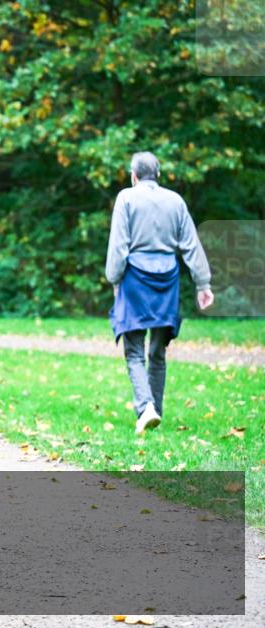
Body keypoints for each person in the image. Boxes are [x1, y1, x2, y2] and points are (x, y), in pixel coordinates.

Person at [105, 152, 214, 435]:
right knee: (157, 351)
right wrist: (203, 284)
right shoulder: (175, 201)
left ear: (133, 175)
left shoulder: (126, 198)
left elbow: (119, 245)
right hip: (167, 280)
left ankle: (145, 408)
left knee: (134, 350)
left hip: (135, 280)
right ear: (159, 175)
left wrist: (114, 278)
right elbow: (191, 245)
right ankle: (155, 411)